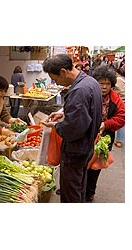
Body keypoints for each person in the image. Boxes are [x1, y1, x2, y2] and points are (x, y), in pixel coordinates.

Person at [41, 54, 102, 203]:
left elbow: (75, 129)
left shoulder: (79, 90)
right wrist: (62, 113)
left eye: (55, 79)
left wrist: (57, 126)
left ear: (63, 71)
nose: (57, 83)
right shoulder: (90, 82)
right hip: (86, 146)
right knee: (79, 186)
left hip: (76, 150)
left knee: (71, 192)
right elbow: (83, 113)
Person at [86, 65, 125, 202]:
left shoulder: (115, 98)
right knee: (83, 163)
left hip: (105, 138)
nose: (104, 86)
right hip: (86, 136)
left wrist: (106, 124)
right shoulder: (89, 94)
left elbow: (122, 117)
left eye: (107, 83)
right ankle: (78, 188)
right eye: (101, 83)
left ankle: (90, 191)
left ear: (112, 84)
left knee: (96, 167)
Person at [114, 67, 125, 147]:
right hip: (122, 101)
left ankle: (119, 140)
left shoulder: (118, 80)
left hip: (122, 101)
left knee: (120, 119)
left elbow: (120, 91)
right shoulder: (123, 79)